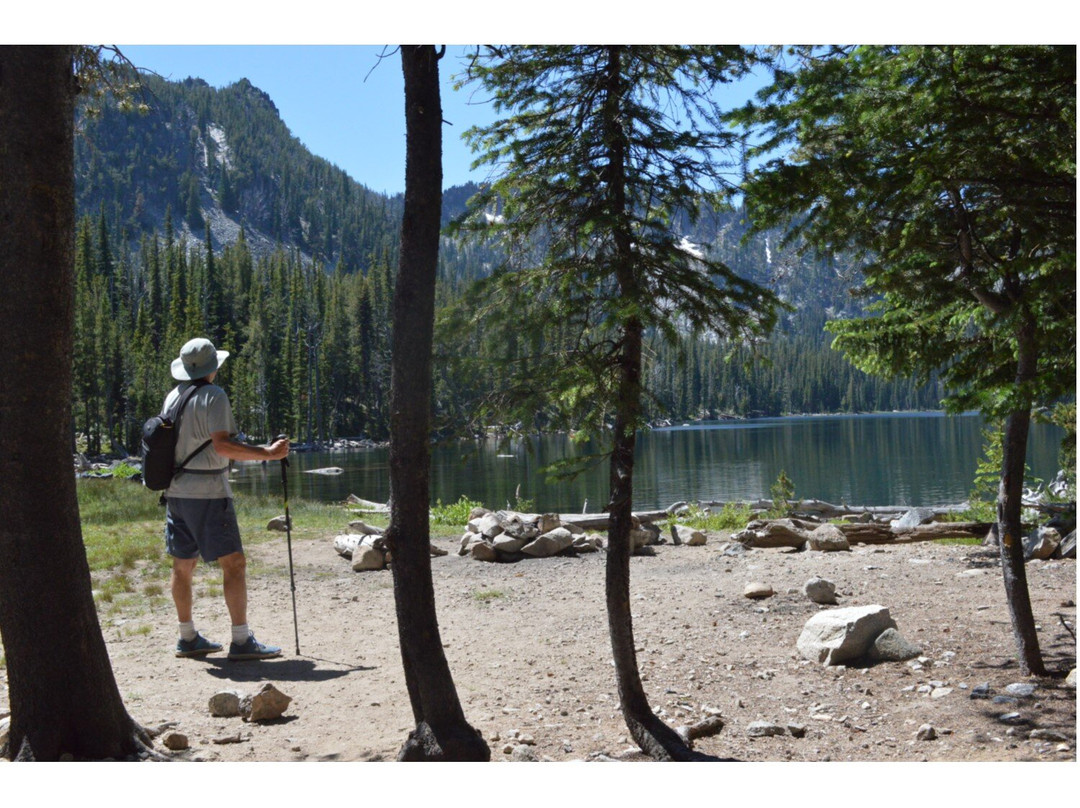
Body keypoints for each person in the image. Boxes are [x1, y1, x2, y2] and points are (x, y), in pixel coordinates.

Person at [162, 337, 290, 661]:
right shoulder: (213, 396)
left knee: (183, 565)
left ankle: (187, 637)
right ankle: (241, 640)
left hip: (176, 492)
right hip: (208, 493)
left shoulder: (172, 398)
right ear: (213, 367)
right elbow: (222, 446)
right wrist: (269, 454)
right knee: (234, 564)